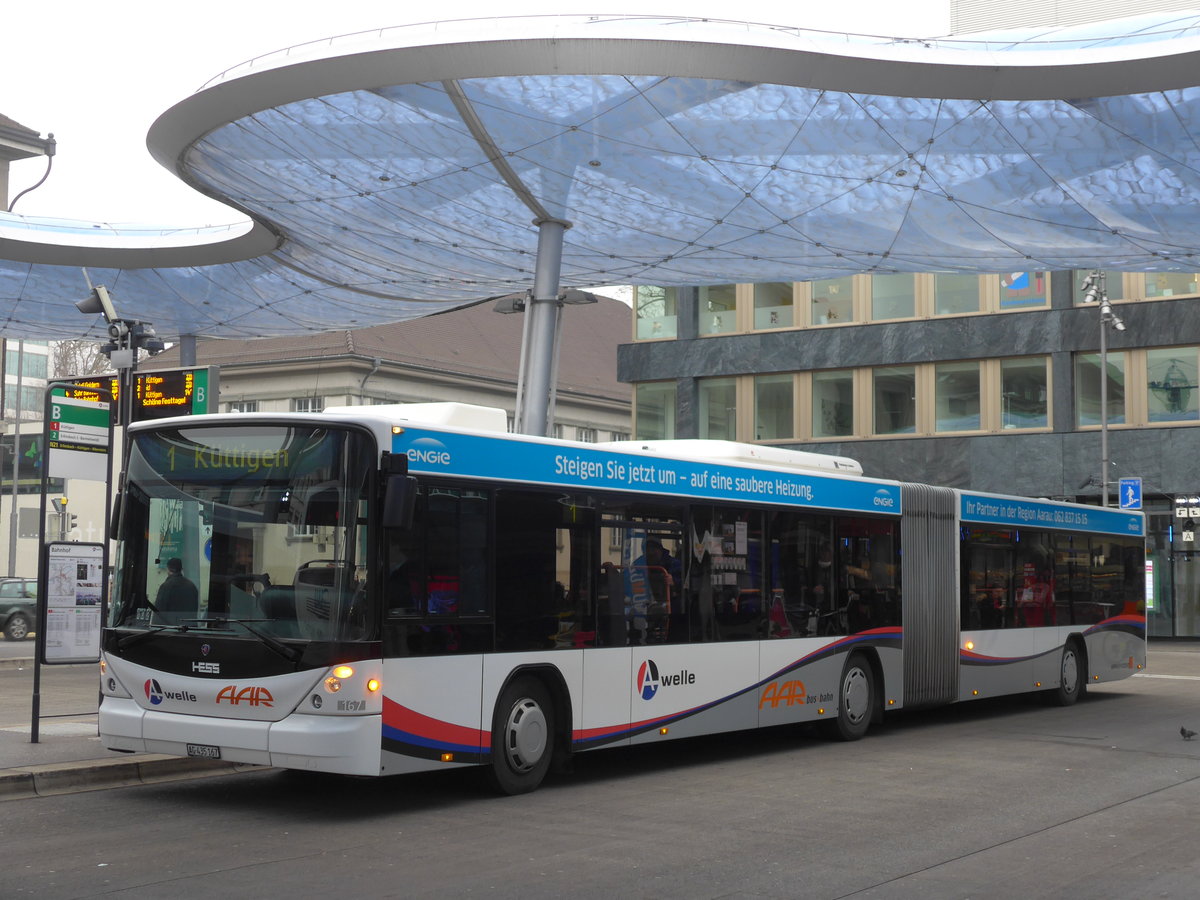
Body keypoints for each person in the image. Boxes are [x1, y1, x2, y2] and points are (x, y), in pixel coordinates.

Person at [155, 558, 198, 625]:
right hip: (189, 628)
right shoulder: (191, 586)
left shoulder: (165, 586)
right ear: (181, 569)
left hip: (171, 628)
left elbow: (159, 613)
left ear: (168, 569)